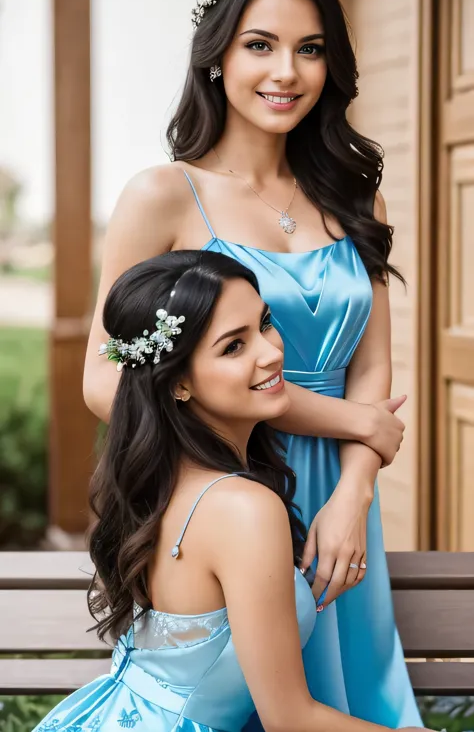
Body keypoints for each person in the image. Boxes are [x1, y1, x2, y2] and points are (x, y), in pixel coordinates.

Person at [83, 0, 421, 725]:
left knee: (343, 694)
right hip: (223, 481)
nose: (287, 73)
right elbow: (108, 380)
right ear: (215, 57)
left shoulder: (349, 190)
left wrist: (351, 492)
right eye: (259, 45)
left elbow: (373, 371)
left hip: (341, 492)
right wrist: (343, 420)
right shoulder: (162, 194)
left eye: (310, 49)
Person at [37, 251, 429, 732]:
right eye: (233, 347)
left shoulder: (162, 484)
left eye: (265, 324)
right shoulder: (243, 509)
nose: (271, 352)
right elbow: (290, 718)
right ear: (178, 383)